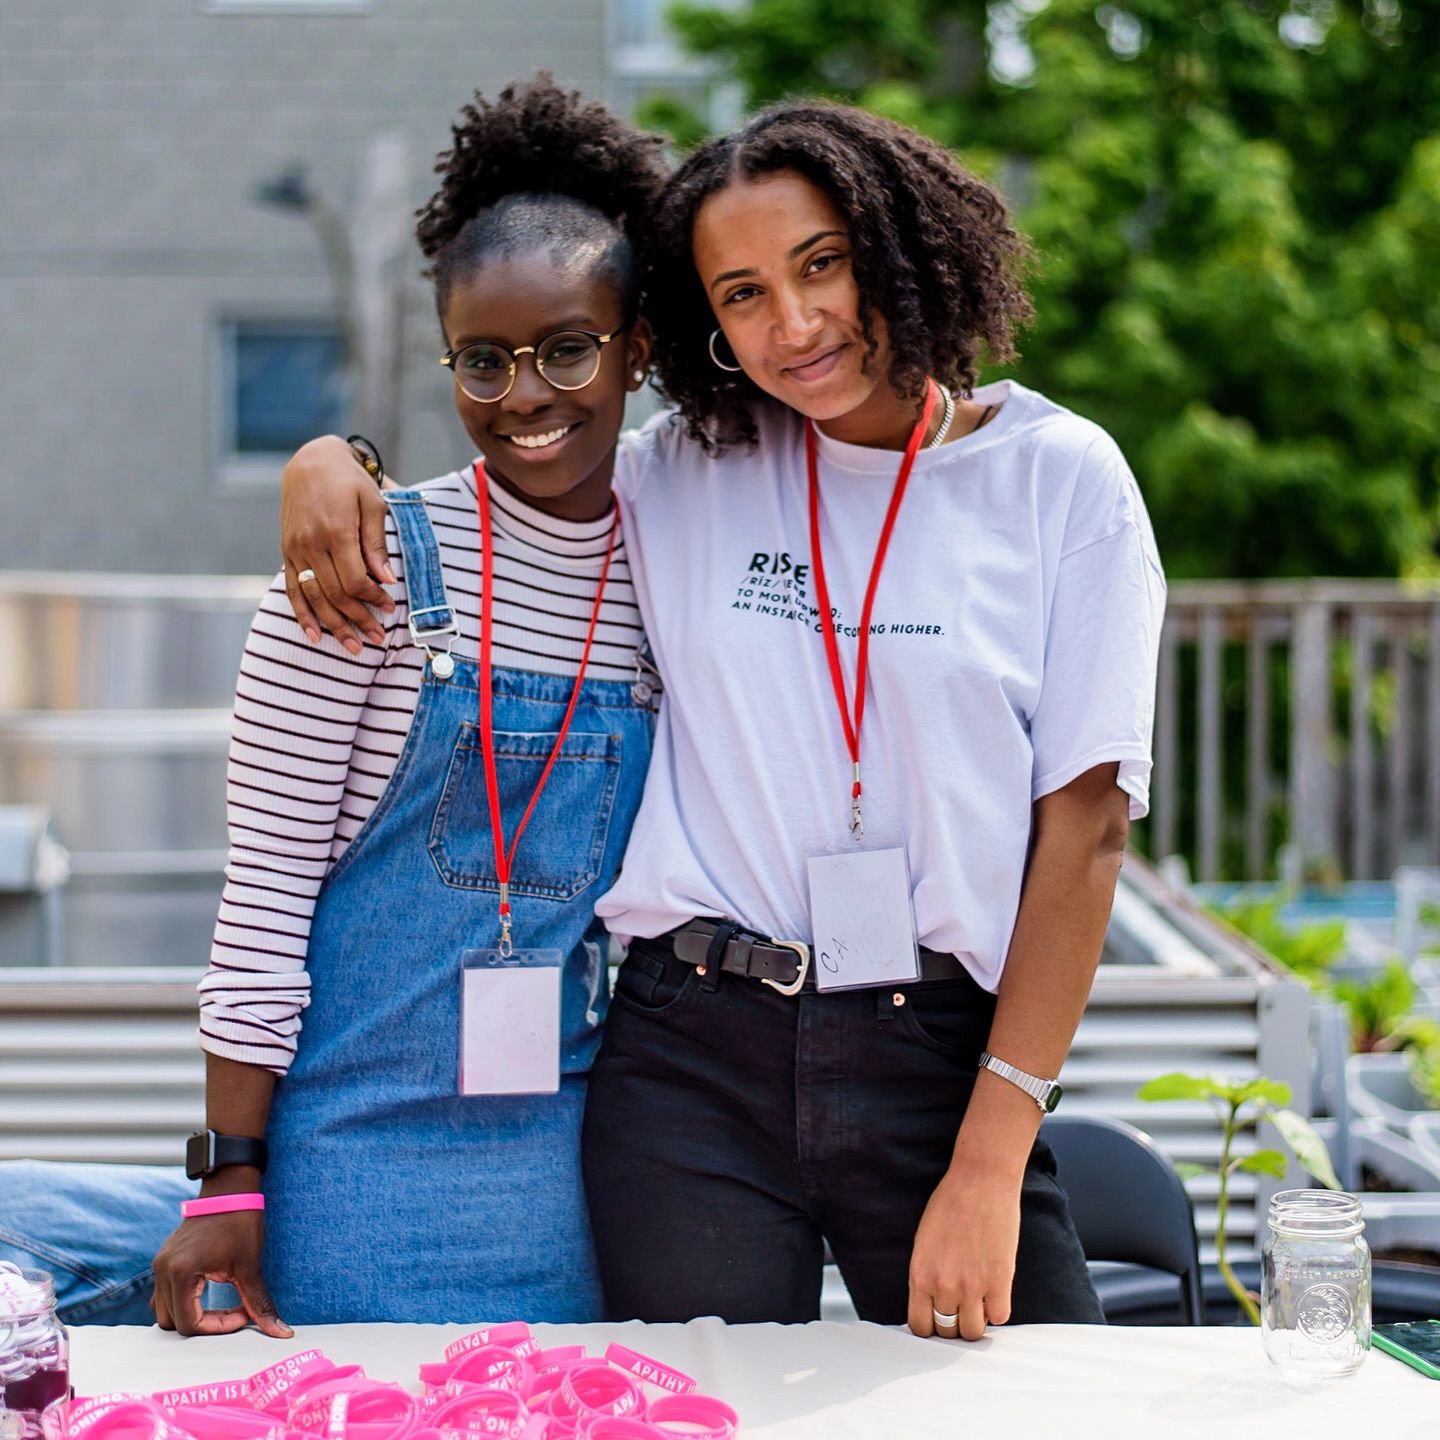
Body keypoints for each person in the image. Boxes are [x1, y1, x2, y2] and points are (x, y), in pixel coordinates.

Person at [280, 100, 1165, 1343]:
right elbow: (522, 453)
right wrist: (334, 459)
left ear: (895, 245)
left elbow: (1086, 834)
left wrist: (988, 1161)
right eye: (742, 294)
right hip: (690, 1052)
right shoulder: (684, 463)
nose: (792, 325)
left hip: (936, 1056)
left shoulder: (1061, 482)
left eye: (821, 265)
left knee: (1035, 1403)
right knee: (696, 1418)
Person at [148, 75, 660, 1334]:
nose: (524, 396)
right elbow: (261, 905)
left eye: (568, 349)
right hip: (354, 1158)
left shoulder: (678, 562)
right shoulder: (357, 571)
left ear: (638, 349)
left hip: (576, 1164)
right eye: (483, 360)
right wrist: (230, 1179)